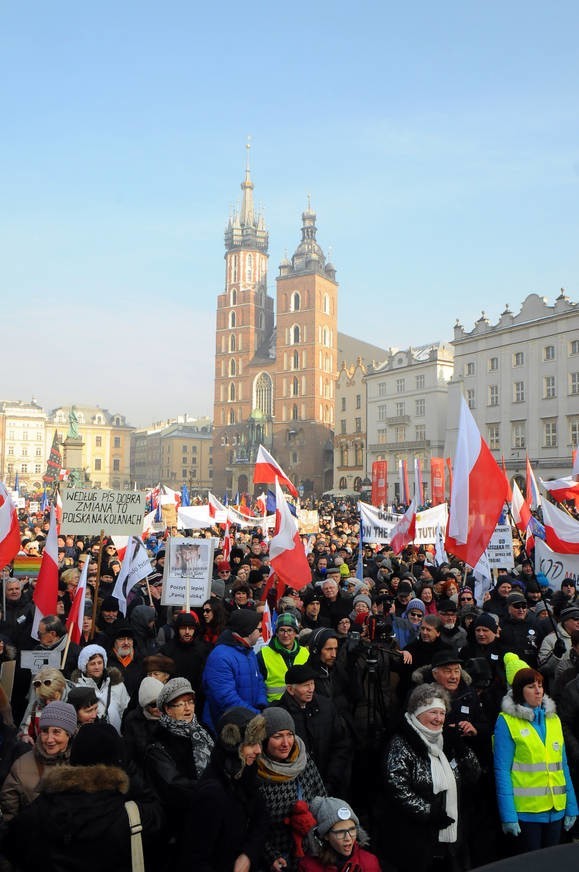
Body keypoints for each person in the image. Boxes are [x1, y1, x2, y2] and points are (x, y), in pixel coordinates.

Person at [3, 721, 164, 872]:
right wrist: (127, 769)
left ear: (74, 757)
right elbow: (157, 812)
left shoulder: (43, 807)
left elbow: (12, 844)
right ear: (118, 761)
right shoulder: (131, 815)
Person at [383, 683, 480, 872]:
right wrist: (429, 812)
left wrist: (460, 748)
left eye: (442, 713)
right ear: (418, 713)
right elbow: (396, 786)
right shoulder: (402, 742)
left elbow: (474, 774)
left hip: (451, 838)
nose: (438, 719)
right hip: (416, 838)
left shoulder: (445, 739)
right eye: (433, 713)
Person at [493, 653, 578, 853]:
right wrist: (508, 815)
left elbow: (562, 766)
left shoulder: (553, 720)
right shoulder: (507, 722)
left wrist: (572, 805)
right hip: (527, 812)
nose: (538, 691)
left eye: (540, 685)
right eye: (531, 687)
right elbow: (502, 771)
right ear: (519, 692)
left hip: (556, 809)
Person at [180, 707, 269, 871]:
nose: (258, 750)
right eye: (251, 743)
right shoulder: (212, 793)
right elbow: (196, 857)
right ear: (233, 745)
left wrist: (248, 854)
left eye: (259, 742)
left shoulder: (247, 773)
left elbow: (260, 821)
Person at [145, 677, 213, 851]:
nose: (188, 708)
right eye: (180, 704)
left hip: (214, 814)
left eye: (190, 702)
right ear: (167, 709)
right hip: (182, 824)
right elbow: (173, 785)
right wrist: (211, 791)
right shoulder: (158, 743)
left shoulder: (204, 730)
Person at [257, 707, 326, 872]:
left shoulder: (303, 759)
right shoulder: (255, 771)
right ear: (264, 739)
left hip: (309, 855)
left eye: (289, 734)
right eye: (277, 736)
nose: (286, 743)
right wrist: (270, 856)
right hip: (277, 859)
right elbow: (251, 825)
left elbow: (321, 798)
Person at [273, 663, 351, 797]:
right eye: (305, 685)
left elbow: (341, 744)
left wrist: (332, 780)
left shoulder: (326, 707)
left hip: (330, 784)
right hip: (295, 789)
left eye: (312, 684)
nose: (311, 689)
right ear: (291, 689)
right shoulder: (279, 715)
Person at [0, 700, 77, 822]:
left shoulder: (80, 764)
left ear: (69, 734)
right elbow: (9, 811)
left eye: (56, 732)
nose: (49, 739)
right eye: (45, 731)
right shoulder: (22, 765)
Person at [202, 609, 267, 732]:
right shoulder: (220, 656)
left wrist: (261, 705)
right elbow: (225, 698)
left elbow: (259, 681)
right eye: (259, 630)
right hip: (228, 727)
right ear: (248, 631)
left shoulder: (249, 652)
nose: (260, 634)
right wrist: (255, 715)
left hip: (250, 722)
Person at [299, 796, 381, 872]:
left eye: (352, 830)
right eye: (340, 832)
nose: (348, 838)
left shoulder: (369, 863)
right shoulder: (307, 867)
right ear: (326, 835)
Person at [72, 644, 130, 732]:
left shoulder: (117, 684)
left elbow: (126, 710)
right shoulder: (77, 688)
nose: (97, 667)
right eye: (92, 664)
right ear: (84, 666)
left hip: (115, 737)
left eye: (99, 663)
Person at [258, 613, 310, 702]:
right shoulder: (263, 654)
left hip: (300, 704)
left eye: (289, 630)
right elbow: (258, 686)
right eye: (282, 630)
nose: (285, 635)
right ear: (277, 633)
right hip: (275, 706)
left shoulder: (305, 653)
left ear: (295, 633)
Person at [18, 666, 69, 743]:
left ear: (61, 690)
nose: (48, 703)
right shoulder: (35, 706)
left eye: (52, 699)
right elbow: (24, 731)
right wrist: (25, 737)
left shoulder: (74, 702)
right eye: (44, 698)